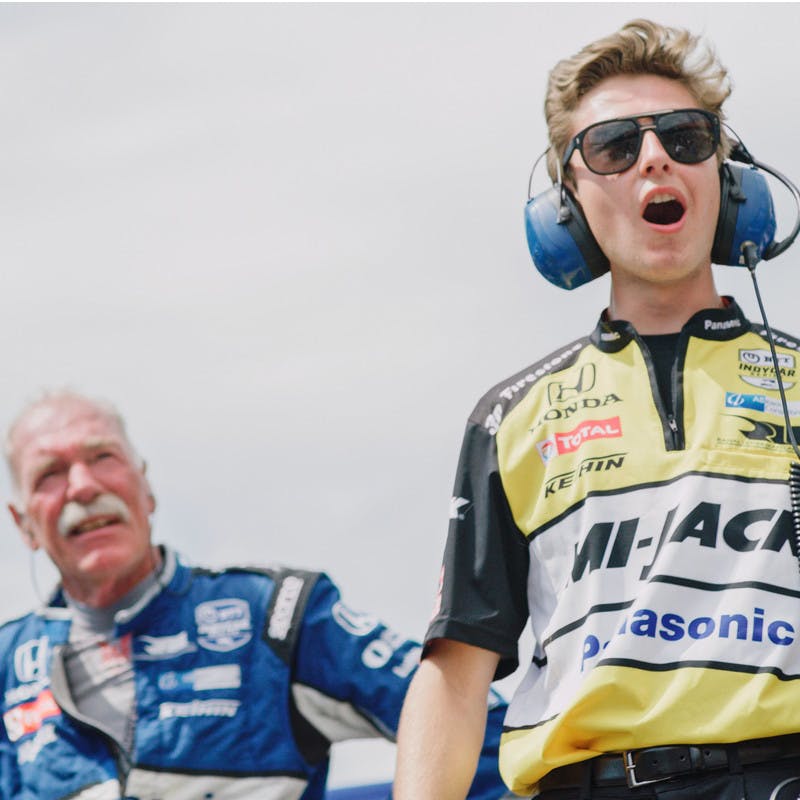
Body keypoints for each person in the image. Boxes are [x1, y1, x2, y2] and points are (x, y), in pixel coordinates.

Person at [395, 18, 800, 800]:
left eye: (687, 137)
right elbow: (455, 674)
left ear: (727, 176)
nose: (656, 157)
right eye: (616, 147)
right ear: (569, 206)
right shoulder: (509, 419)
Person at [0, 390, 509, 800]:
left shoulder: (277, 614)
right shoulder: (7, 666)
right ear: (23, 524)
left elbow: (493, 735)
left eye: (102, 456)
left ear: (145, 487)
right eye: (50, 474)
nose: (83, 486)